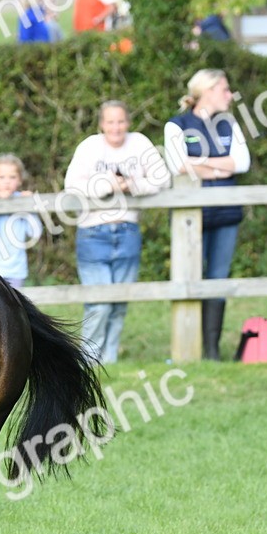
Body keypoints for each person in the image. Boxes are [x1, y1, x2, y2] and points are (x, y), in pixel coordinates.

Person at [64, 100, 169, 363]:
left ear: (128, 122)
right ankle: (89, 360)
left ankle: (110, 359)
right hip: (92, 232)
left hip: (127, 230)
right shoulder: (89, 146)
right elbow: (72, 187)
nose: (116, 127)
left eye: (121, 121)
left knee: (120, 301)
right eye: (110, 122)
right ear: (101, 124)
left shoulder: (140, 143)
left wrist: (132, 184)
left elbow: (162, 179)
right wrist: (108, 184)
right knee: (99, 303)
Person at [164, 69, 252, 360]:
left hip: (226, 212)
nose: (230, 95)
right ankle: (189, 347)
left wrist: (199, 164)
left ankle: (211, 350)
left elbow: (241, 163)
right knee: (190, 275)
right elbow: (177, 164)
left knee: (218, 277)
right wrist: (218, 166)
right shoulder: (176, 125)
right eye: (225, 90)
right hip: (190, 216)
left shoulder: (230, 124)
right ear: (208, 91)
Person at [0, 154, 42, 289]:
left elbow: (34, 232)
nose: (7, 181)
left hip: (16, 267)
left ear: (20, 180)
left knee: (15, 306)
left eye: (12, 177)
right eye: (1, 177)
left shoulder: (23, 201)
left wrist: (29, 206)